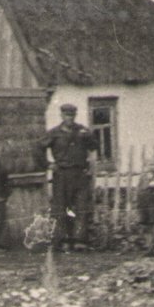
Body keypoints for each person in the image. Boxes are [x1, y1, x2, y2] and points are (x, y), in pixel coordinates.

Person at [38, 103, 98, 253]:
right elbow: (38, 148)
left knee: (81, 206)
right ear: (62, 116)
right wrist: (48, 164)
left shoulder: (82, 131)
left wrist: (89, 136)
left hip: (80, 173)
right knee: (61, 208)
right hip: (62, 174)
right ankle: (63, 240)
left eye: (72, 115)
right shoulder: (54, 133)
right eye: (66, 115)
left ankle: (80, 240)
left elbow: (94, 146)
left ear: (75, 115)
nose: (69, 118)